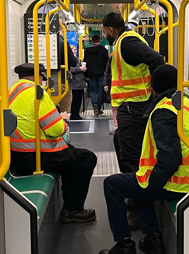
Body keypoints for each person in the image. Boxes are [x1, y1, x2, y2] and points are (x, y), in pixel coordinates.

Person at [98, 65, 189, 254]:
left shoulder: (163, 111)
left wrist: (151, 182)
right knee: (139, 180)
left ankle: (124, 247)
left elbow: (170, 158)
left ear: (153, 88)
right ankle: (152, 239)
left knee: (114, 185)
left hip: (179, 184)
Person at [8, 62, 97, 223]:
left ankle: (70, 205)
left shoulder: (12, 91)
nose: (42, 81)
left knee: (72, 155)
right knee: (87, 158)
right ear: (38, 77)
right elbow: (55, 129)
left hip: (17, 155)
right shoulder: (37, 93)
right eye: (42, 77)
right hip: (37, 156)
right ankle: (72, 210)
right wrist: (63, 120)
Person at [100, 12, 165, 174]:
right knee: (120, 142)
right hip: (131, 105)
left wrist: (157, 91)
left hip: (134, 107)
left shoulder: (127, 42)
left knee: (130, 156)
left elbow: (156, 60)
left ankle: (136, 196)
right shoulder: (125, 41)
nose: (103, 35)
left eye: (103, 31)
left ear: (111, 30)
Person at [83, 34, 109, 116]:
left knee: (93, 91)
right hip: (101, 74)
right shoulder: (103, 50)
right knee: (100, 91)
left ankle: (94, 104)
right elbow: (107, 64)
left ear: (92, 41)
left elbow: (85, 63)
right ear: (99, 40)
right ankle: (98, 107)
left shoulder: (87, 51)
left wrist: (86, 75)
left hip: (91, 75)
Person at [103, 54, 116, 134]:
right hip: (114, 86)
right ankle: (117, 126)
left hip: (115, 85)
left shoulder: (113, 56)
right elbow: (107, 71)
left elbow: (107, 71)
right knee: (115, 107)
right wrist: (106, 84)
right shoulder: (112, 57)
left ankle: (118, 126)